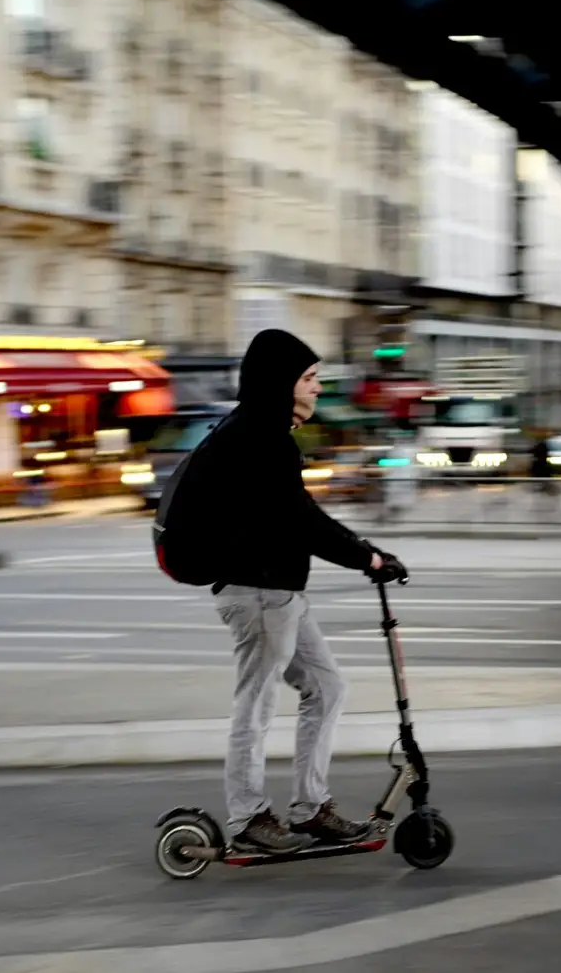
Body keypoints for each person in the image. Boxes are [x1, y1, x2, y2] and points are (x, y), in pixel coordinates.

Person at [211, 328, 408, 854]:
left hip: (279, 593)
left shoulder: (265, 434)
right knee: (255, 705)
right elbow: (300, 522)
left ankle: (310, 807)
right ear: (282, 383)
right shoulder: (258, 437)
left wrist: (365, 549)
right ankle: (248, 816)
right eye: (309, 377)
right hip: (258, 593)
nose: (318, 387)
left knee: (327, 688)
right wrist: (365, 557)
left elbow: (303, 516)